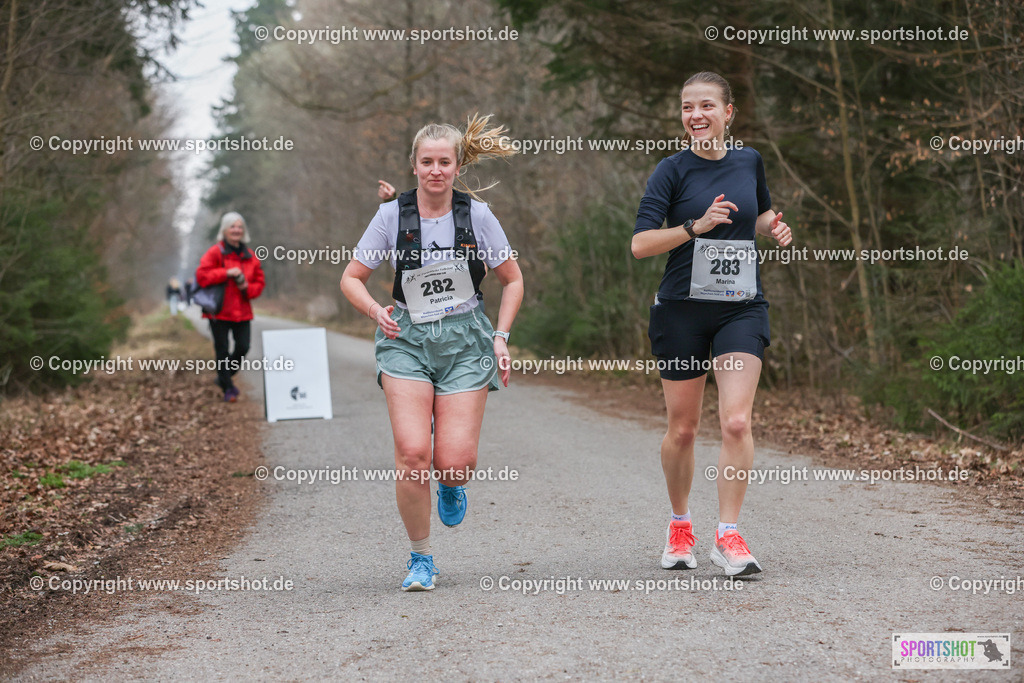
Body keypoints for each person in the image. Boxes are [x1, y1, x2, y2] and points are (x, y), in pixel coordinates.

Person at [340, 114, 523, 592]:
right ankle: (421, 558)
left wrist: (500, 337)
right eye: (427, 162)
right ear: (414, 166)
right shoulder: (391, 215)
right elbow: (351, 277)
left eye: (445, 161)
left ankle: (452, 481)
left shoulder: (477, 216)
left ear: (458, 166)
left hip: (466, 339)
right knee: (413, 453)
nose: (436, 170)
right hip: (407, 337)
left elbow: (513, 280)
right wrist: (375, 310)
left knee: (454, 460)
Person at [632, 72, 792, 577]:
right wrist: (693, 227)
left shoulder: (749, 160)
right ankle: (680, 525)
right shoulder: (670, 171)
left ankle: (728, 534)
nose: (695, 115)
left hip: (740, 306)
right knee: (682, 428)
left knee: (737, 420)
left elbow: (759, 213)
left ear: (728, 113)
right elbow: (640, 244)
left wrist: (773, 227)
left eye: (705, 105)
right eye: (686, 107)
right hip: (680, 309)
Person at [196, 212, 266, 402]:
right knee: (222, 350)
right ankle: (229, 389)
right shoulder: (216, 252)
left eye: (239, 227)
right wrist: (226, 273)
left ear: (244, 231)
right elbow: (202, 276)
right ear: (224, 230)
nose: (236, 230)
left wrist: (246, 287)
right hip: (218, 311)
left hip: (243, 312)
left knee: (243, 347)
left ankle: (222, 378)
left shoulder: (250, 256)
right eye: (232, 227)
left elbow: (259, 283)